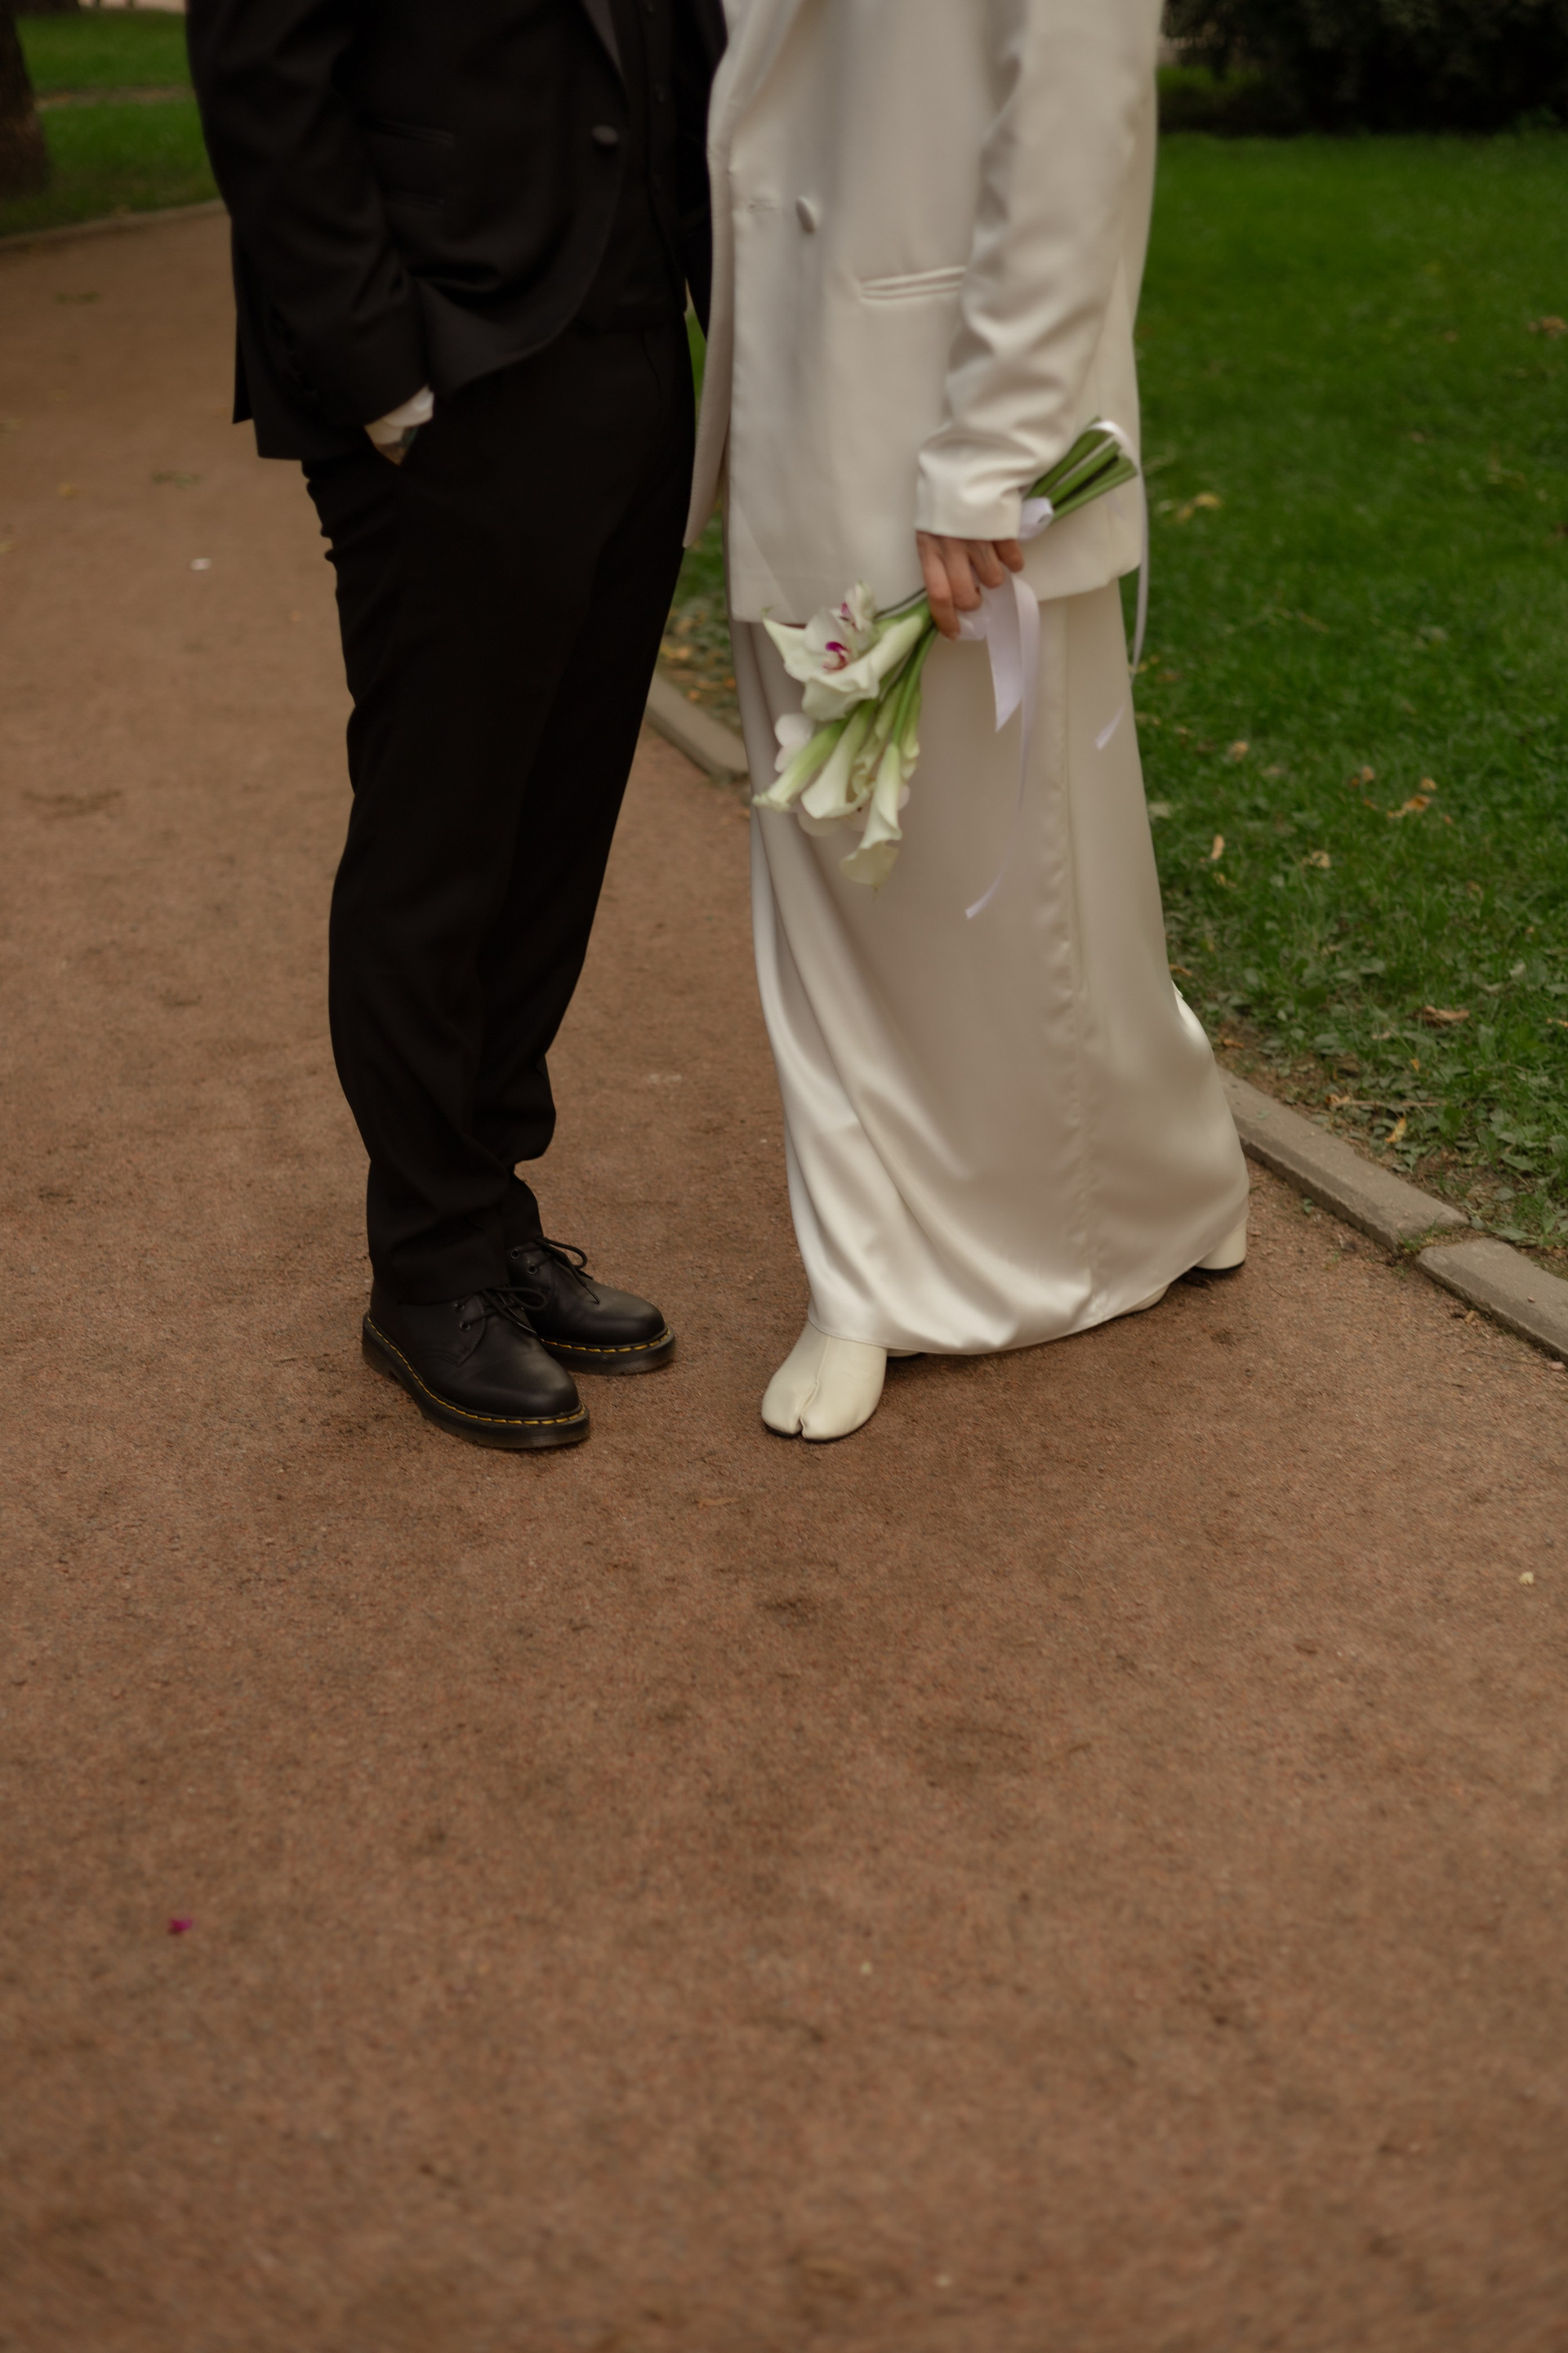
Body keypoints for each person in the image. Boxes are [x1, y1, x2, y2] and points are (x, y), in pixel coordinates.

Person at [691, 0, 1250, 1442]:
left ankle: (1000, 1240)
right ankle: (1106, 1199)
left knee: (1017, 876)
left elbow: (1076, 103)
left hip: (943, 425)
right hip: (809, 385)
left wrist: (996, 451)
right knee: (868, 884)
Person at [188, 0, 726, 1451]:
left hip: (636, 347)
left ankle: (488, 1210)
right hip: (440, 377)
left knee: (557, 828)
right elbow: (261, 71)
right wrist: (380, 373)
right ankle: (426, 1267)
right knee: (441, 837)